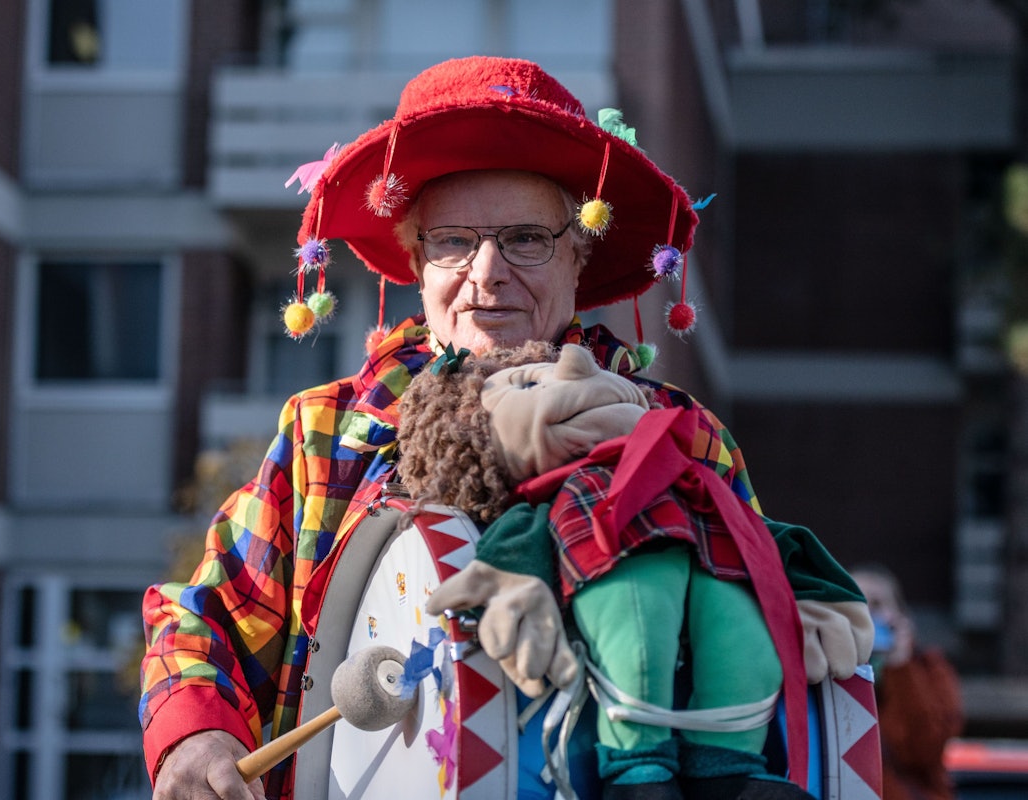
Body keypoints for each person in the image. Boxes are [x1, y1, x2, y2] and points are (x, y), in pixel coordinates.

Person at [139, 56, 870, 800]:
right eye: (453, 240)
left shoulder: (674, 433)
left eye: (525, 238)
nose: (486, 273)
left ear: (578, 256)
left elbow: (749, 631)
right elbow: (210, 618)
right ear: (417, 260)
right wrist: (195, 733)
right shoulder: (324, 430)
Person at [396, 341, 870, 799]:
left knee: (743, 643)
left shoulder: (695, 468)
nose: (580, 366)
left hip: (717, 565)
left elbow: (770, 540)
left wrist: (817, 592)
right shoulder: (555, 497)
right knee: (635, 641)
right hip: (615, 573)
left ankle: (727, 770)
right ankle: (636, 771)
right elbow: (521, 541)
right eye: (526, 385)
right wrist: (512, 578)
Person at [850, 566, 963, 800]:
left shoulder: (930, 670)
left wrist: (901, 666)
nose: (868, 613)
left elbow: (922, 749)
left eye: (878, 604)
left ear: (901, 615)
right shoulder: (828, 671)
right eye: (857, 603)